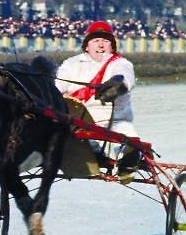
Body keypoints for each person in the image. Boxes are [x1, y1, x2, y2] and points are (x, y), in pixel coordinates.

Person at [54, 20, 140, 180]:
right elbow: (57, 88)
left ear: (112, 46)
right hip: (74, 122)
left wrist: (116, 85)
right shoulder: (71, 64)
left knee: (127, 139)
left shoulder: (120, 63)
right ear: (87, 46)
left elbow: (125, 78)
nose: (101, 45)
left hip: (112, 123)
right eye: (96, 40)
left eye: (105, 41)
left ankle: (128, 163)